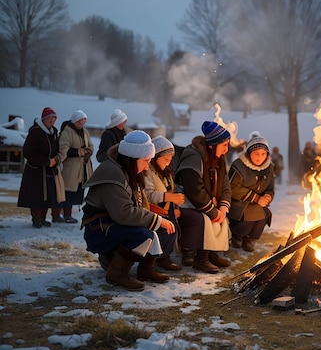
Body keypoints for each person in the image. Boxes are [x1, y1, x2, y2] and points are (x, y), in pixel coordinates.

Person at [82, 130, 176, 291]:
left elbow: (139, 206)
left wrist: (155, 220)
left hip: (115, 225)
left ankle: (145, 269)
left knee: (155, 231)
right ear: (133, 158)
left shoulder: (129, 171)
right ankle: (116, 273)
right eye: (146, 160)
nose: (148, 166)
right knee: (143, 234)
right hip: (100, 230)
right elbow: (124, 213)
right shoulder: (113, 174)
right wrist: (157, 220)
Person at [175, 121, 232, 273]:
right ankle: (200, 259)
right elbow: (194, 191)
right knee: (207, 219)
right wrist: (213, 211)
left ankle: (212, 253)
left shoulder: (218, 159)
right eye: (224, 145)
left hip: (205, 202)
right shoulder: (193, 157)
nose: (226, 150)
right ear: (213, 145)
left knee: (221, 218)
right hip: (185, 202)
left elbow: (225, 185)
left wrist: (222, 207)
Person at [144, 136, 187, 271]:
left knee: (172, 231)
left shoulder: (165, 172)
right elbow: (148, 194)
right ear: (156, 157)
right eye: (166, 160)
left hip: (167, 211)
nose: (168, 163)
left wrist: (175, 204)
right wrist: (169, 197)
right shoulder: (148, 172)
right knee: (166, 232)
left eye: (170, 160)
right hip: (153, 210)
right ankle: (153, 261)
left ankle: (164, 258)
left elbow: (171, 188)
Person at [18, 107, 65, 228]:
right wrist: (45, 161)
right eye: (50, 119)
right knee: (36, 196)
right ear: (44, 119)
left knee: (48, 196)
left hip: (50, 169)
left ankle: (43, 218)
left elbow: (56, 149)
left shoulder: (54, 132)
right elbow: (28, 152)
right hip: (36, 171)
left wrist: (56, 160)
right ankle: (36, 218)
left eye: (54, 119)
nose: (52, 121)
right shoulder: (35, 132)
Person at [228, 132, 275, 252]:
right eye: (256, 154)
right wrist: (256, 198)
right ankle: (237, 235)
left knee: (264, 215)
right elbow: (232, 188)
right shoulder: (239, 166)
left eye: (263, 154)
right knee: (250, 217)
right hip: (239, 204)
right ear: (249, 154)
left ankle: (249, 239)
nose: (260, 157)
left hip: (257, 204)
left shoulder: (269, 168)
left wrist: (268, 196)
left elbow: (270, 187)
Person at [56, 110, 94, 223]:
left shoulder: (84, 132)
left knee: (76, 192)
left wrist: (89, 151)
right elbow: (63, 149)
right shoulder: (67, 132)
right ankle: (63, 215)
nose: (81, 125)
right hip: (71, 168)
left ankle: (68, 214)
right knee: (67, 192)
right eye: (80, 122)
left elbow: (90, 145)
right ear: (74, 121)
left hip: (81, 168)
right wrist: (78, 152)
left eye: (83, 123)